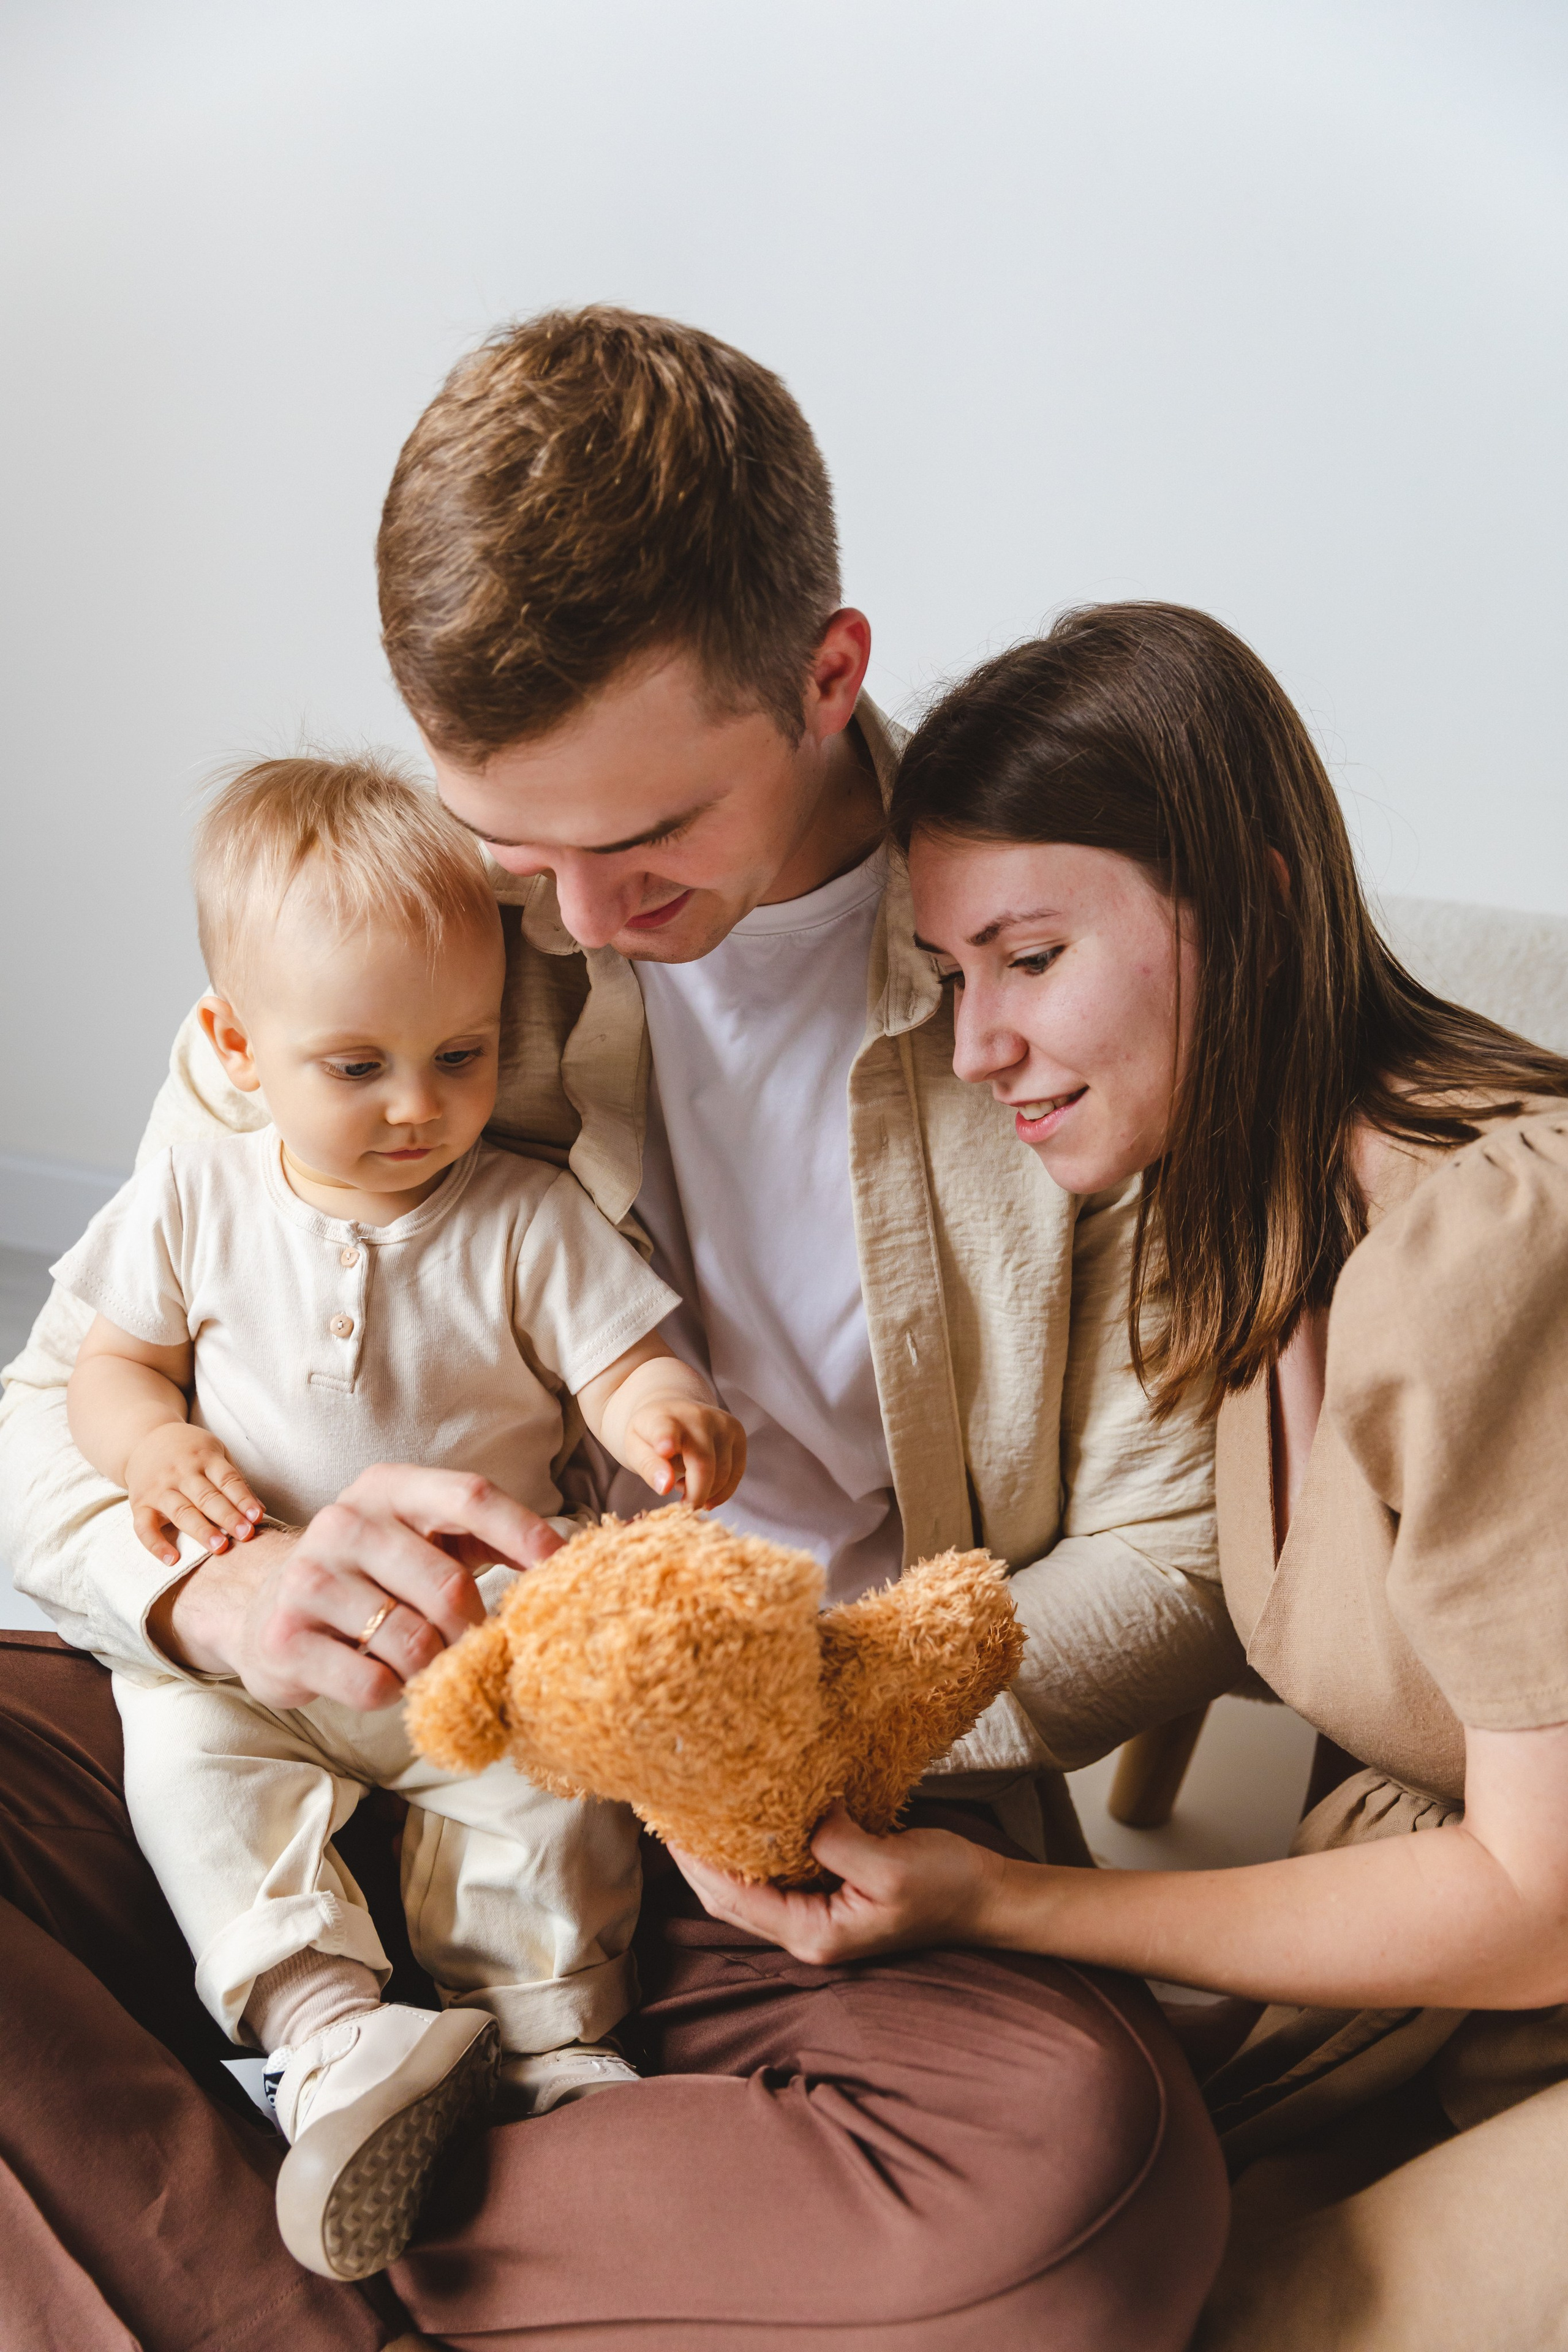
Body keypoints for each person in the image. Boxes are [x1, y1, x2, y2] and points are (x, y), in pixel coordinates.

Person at [0, 315, 1231, 2345]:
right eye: (515, 843)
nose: (564, 923)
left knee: (1088, 2195)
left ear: (828, 678)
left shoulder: (1049, 971)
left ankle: (255, 2217)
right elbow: (64, 1394)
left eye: (647, 840)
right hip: (312, 1751)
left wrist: (783, 1720)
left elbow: (1174, 1558)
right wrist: (227, 1598)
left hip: (759, 1839)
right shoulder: (382, 940)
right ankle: (345, 2103)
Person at [679, 600, 1568, 2352]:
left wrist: (1013, 1898)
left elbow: (1540, 1904)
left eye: (1027, 959)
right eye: (951, 979)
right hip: (1460, 1957)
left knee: (1213, 2305)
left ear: (1254, 900)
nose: (976, 1048)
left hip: (1531, 1945)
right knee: (1073, 2253)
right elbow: (1299, 1607)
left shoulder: (1486, 1257)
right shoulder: (1238, 1224)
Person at [52, 752, 747, 2282]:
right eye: (357, 1067)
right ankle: (331, 2036)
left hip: (464, 1645)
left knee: (548, 1800)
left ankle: (546, 2051)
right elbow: (105, 1365)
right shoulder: (196, 1190)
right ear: (238, 1047)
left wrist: (660, 1416)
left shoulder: (523, 1213)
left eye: (461, 1054)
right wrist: (154, 1439)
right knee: (184, 1766)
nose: (419, 1107)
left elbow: (619, 1354)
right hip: (253, 1647)